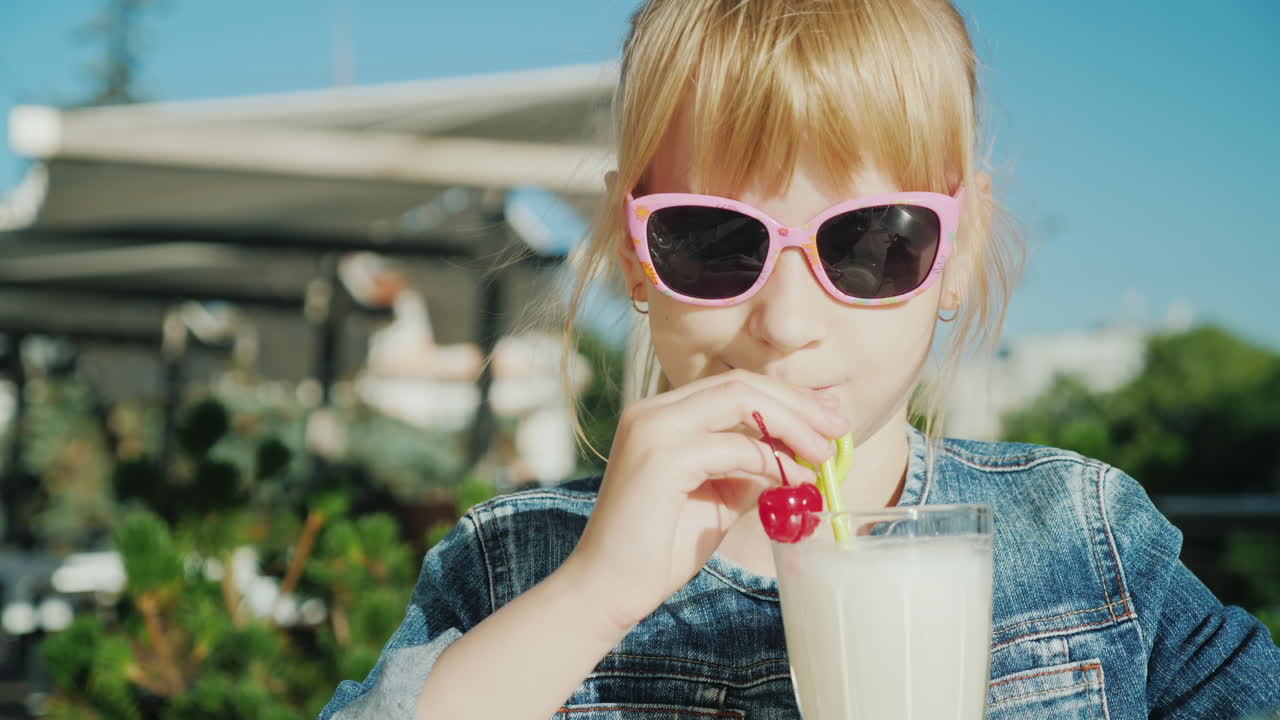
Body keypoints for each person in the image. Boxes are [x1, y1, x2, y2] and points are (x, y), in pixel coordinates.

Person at [317, 0, 1280, 718]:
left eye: (869, 242)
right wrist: (588, 598)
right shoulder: (514, 567)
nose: (784, 321)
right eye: (713, 240)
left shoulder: (1083, 541)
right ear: (636, 254)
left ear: (959, 251)